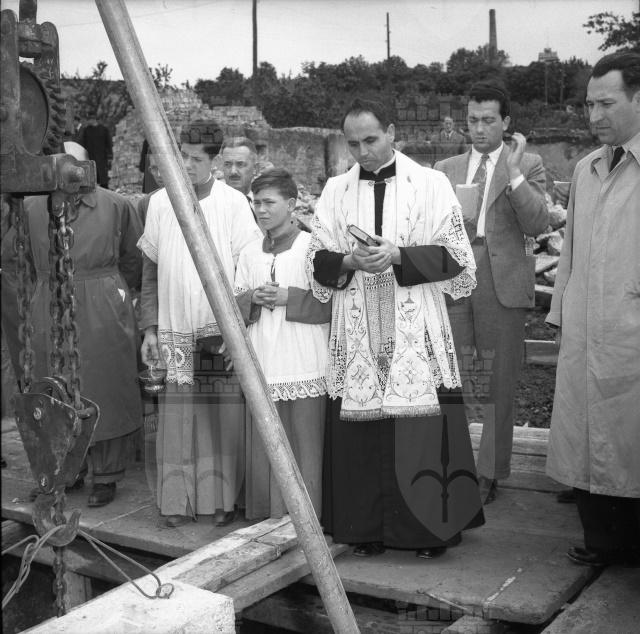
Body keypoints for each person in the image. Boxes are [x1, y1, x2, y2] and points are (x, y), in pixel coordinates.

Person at [308, 98, 484, 560]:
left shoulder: (431, 183)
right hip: (358, 328)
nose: (362, 152)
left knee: (420, 432)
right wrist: (350, 260)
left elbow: (458, 258)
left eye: (370, 140)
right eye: (353, 144)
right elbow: (316, 261)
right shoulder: (334, 190)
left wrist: (399, 255)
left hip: (415, 328)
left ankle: (426, 531)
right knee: (360, 436)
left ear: (391, 132)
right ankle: (364, 527)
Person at [1, 141, 143, 507]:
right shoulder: (31, 207)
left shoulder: (116, 205)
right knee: (52, 384)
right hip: (48, 301)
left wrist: (112, 291)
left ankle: (106, 474)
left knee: (106, 385)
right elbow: (19, 259)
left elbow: (133, 257)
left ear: (87, 168)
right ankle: (65, 469)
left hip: (102, 302)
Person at [138, 120, 262, 528]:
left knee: (217, 417)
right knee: (176, 417)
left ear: (215, 161)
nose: (187, 165)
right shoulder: (159, 202)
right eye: (182, 156)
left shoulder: (233, 203)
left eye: (195, 158)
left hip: (216, 329)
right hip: (173, 325)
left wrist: (235, 327)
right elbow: (150, 271)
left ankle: (219, 500)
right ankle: (176, 501)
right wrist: (150, 329)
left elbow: (250, 268)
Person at [545, 51, 640, 567]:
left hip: (631, 329)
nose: (594, 116)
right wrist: (560, 316)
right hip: (585, 326)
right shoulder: (587, 169)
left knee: (629, 432)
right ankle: (603, 540)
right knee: (586, 431)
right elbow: (569, 256)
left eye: (606, 103)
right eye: (588, 105)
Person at [435, 80, 549, 504]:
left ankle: (489, 473)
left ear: (506, 123)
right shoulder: (445, 169)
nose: (479, 129)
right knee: (456, 377)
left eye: (487, 120)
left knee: (498, 382)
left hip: (502, 282)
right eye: (472, 120)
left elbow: (538, 223)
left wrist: (514, 172)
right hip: (454, 279)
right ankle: (456, 465)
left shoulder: (529, 164)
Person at [233, 169, 331, 519]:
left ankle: (307, 518)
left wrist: (291, 297)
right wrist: (252, 298)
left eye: (268, 203)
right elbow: (233, 303)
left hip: (304, 356)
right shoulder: (248, 252)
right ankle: (270, 517)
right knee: (268, 439)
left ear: (291, 204)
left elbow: (332, 303)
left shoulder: (312, 248)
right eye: (256, 203)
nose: (260, 210)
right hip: (264, 355)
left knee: (305, 441)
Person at [220, 137, 258, 207]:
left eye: (240, 164)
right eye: (227, 164)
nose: (233, 171)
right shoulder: (210, 204)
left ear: (255, 168)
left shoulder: (263, 205)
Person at [78, 116, 113, 189]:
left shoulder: (104, 129)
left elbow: (108, 143)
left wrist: (110, 156)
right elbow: (83, 143)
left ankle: (105, 189)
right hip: (91, 156)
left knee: (103, 176)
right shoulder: (86, 130)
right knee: (93, 175)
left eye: (89, 120)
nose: (88, 122)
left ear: (93, 119)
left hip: (102, 156)